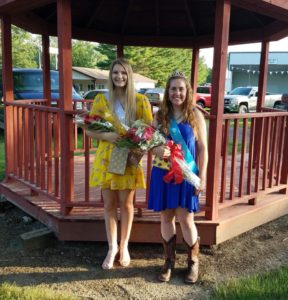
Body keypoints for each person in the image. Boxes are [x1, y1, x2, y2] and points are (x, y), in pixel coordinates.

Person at [86, 58, 153, 269]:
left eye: (123, 73)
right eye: (115, 73)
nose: (119, 77)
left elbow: (149, 132)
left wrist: (138, 151)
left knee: (126, 205)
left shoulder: (140, 101)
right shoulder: (102, 100)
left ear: (129, 75)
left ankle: (124, 246)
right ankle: (111, 247)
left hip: (129, 159)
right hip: (107, 158)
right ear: (111, 75)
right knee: (109, 205)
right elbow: (88, 129)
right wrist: (108, 136)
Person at [148, 71, 208, 283]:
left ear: (187, 91)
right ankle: (168, 261)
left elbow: (202, 149)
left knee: (186, 219)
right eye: (173, 89)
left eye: (181, 89)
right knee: (166, 217)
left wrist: (201, 177)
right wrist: (156, 150)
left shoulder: (196, 115)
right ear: (167, 91)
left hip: (186, 175)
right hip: (164, 174)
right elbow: (150, 142)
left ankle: (193, 262)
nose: (177, 93)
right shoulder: (159, 115)